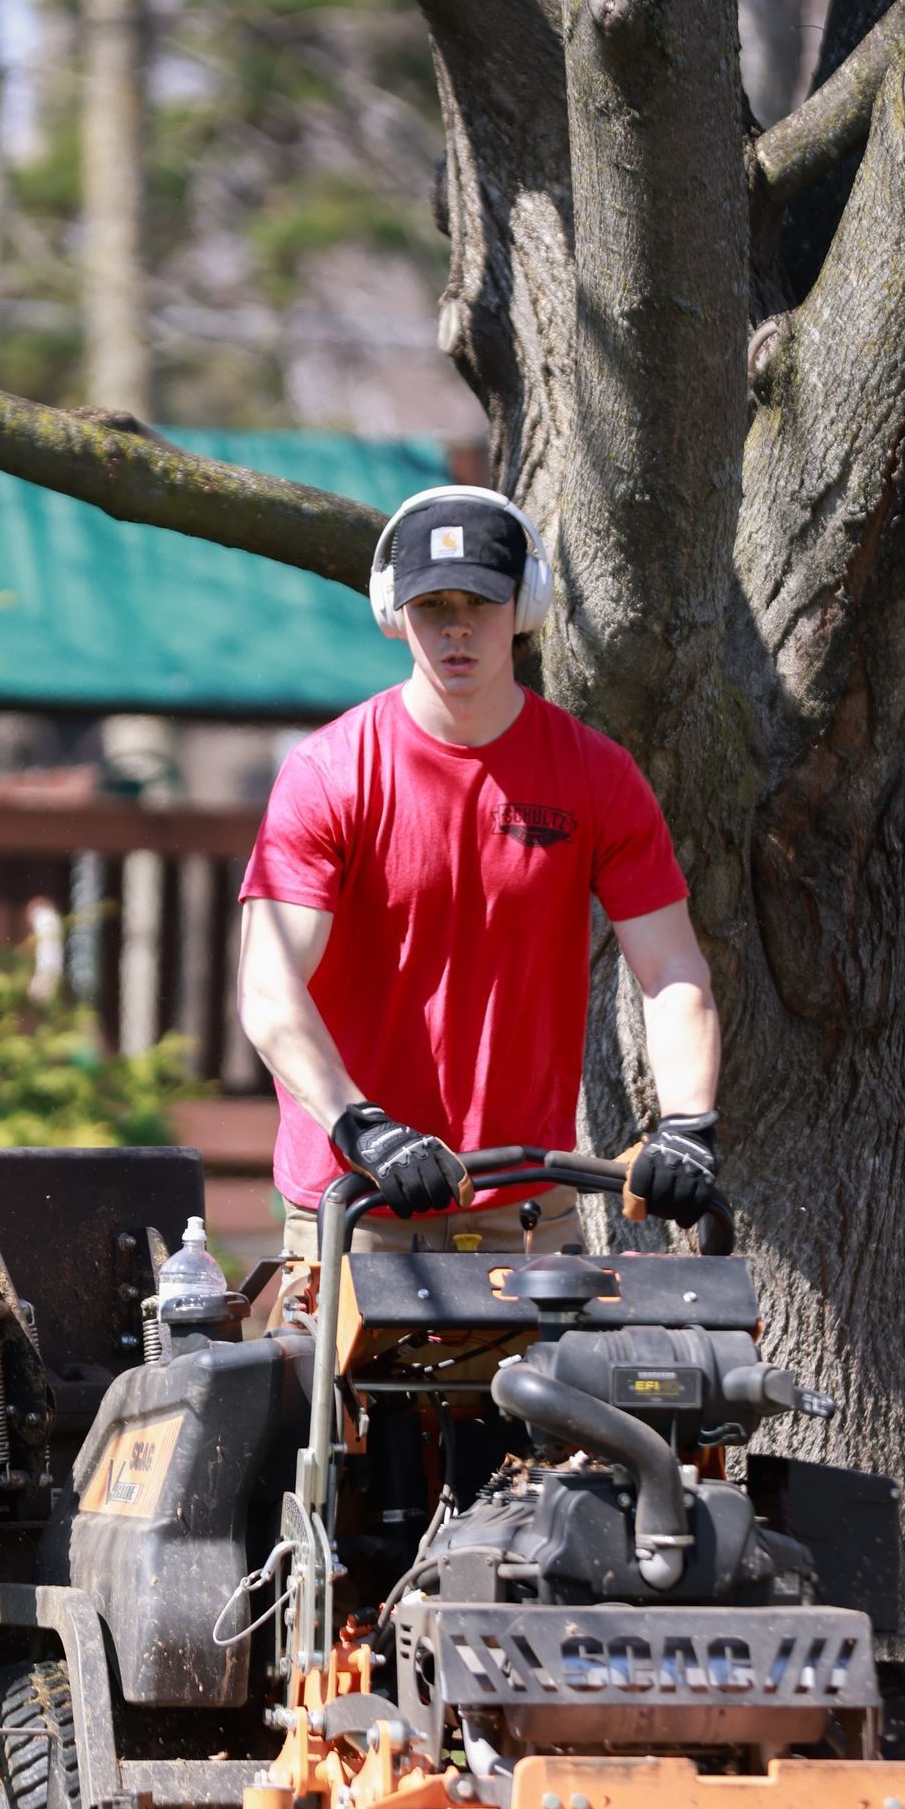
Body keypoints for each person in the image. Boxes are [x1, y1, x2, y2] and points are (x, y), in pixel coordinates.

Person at [236, 484, 722, 1258]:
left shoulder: (597, 776)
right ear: (396, 612)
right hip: (359, 1203)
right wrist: (363, 1127)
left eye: (481, 603)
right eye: (433, 607)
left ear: (524, 608)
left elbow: (671, 970)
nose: (457, 629)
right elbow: (268, 989)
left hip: (528, 1207)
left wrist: (690, 1122)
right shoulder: (328, 773)